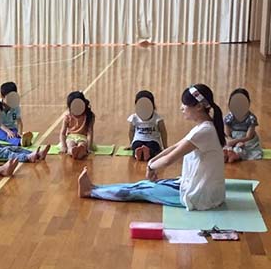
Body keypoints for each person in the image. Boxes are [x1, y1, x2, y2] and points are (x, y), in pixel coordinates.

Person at [78, 84, 226, 211]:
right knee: (143, 185)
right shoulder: (204, 127)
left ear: (199, 106)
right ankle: (94, 188)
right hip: (199, 189)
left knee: (142, 189)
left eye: (184, 104)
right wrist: (151, 162)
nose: (181, 108)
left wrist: (151, 167)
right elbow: (175, 146)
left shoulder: (204, 131)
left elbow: (169, 160)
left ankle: (90, 191)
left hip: (200, 197)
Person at [127, 90, 168, 161]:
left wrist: (165, 147)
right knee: (138, 146)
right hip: (144, 140)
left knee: (150, 147)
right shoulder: (134, 117)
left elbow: (163, 131)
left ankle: (142, 153)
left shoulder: (157, 118)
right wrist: (131, 144)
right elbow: (131, 131)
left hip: (148, 140)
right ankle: (144, 152)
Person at [223, 88, 263, 162]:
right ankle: (228, 153)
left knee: (244, 148)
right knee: (222, 144)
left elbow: (249, 137)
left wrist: (236, 142)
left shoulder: (251, 118)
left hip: (246, 140)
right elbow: (227, 134)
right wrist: (231, 141)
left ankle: (236, 154)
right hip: (232, 138)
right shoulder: (228, 117)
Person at [60, 91, 95, 160]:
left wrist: (89, 147)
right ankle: (73, 151)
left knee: (82, 144)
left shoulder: (89, 116)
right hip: (70, 137)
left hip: (83, 137)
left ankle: (81, 151)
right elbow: (62, 133)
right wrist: (64, 146)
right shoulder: (67, 116)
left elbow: (90, 132)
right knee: (70, 144)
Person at [0, 81, 33, 147]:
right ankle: (20, 142)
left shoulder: (15, 106)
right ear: (2, 96)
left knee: (15, 134)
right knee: (6, 136)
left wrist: (20, 132)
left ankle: (22, 139)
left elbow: (19, 122)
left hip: (12, 128)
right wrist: (7, 131)